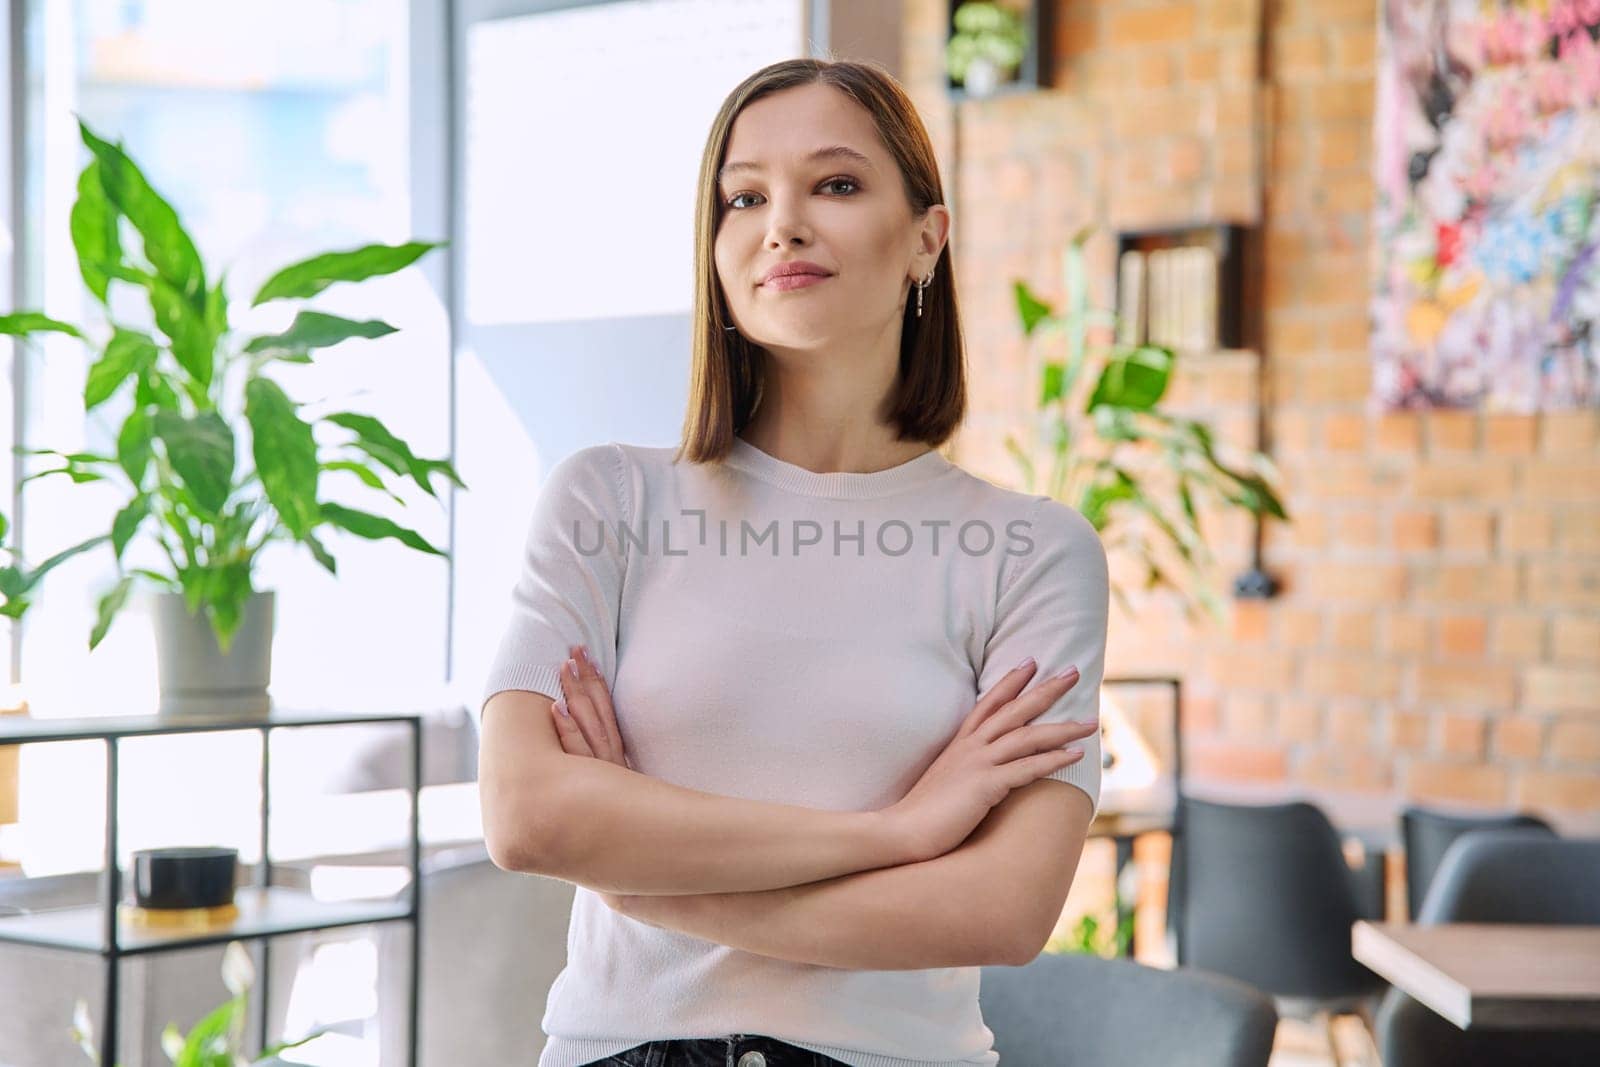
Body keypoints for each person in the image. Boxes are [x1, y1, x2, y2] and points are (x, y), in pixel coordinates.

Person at [477, 57, 1109, 1067]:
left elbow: (1001, 904)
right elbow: (527, 813)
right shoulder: (606, 500)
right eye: (744, 196)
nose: (782, 222)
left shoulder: (1031, 550)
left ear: (925, 240)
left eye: (837, 184)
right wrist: (901, 832)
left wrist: (645, 874)